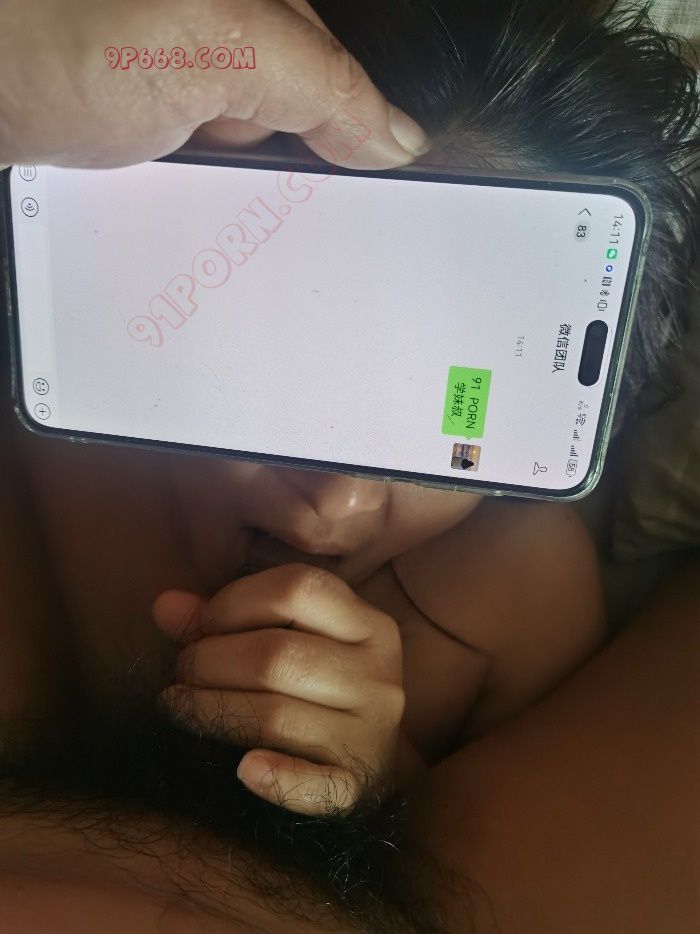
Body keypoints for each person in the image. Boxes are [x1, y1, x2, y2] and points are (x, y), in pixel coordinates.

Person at [0, 1, 698, 931]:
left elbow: (463, 836)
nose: (339, 498)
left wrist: (374, 772)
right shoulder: (60, 444)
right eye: (296, 371)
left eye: (453, 409)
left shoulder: (518, 596)